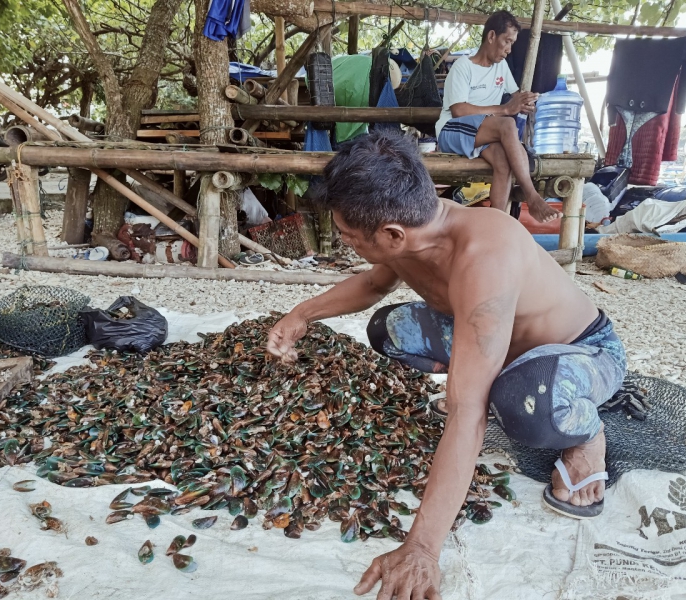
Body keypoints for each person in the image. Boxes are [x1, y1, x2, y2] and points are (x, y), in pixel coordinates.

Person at [266, 132, 626, 600]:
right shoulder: (411, 236)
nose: (344, 241)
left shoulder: (483, 254)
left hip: (582, 351)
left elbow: (466, 412)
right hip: (498, 342)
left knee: (520, 402)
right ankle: (490, 371)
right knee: (389, 329)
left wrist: (422, 547)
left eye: (349, 236)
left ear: (392, 234)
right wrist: (302, 313)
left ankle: (587, 435)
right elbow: (374, 285)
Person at [435, 10, 561, 223]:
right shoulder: (463, 66)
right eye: (507, 41)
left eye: (512, 43)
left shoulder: (501, 67)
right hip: (452, 131)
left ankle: (497, 225)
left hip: (481, 136)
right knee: (506, 125)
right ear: (491, 36)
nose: (509, 50)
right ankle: (532, 196)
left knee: (503, 161)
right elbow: (458, 111)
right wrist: (505, 110)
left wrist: (526, 101)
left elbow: (514, 95)